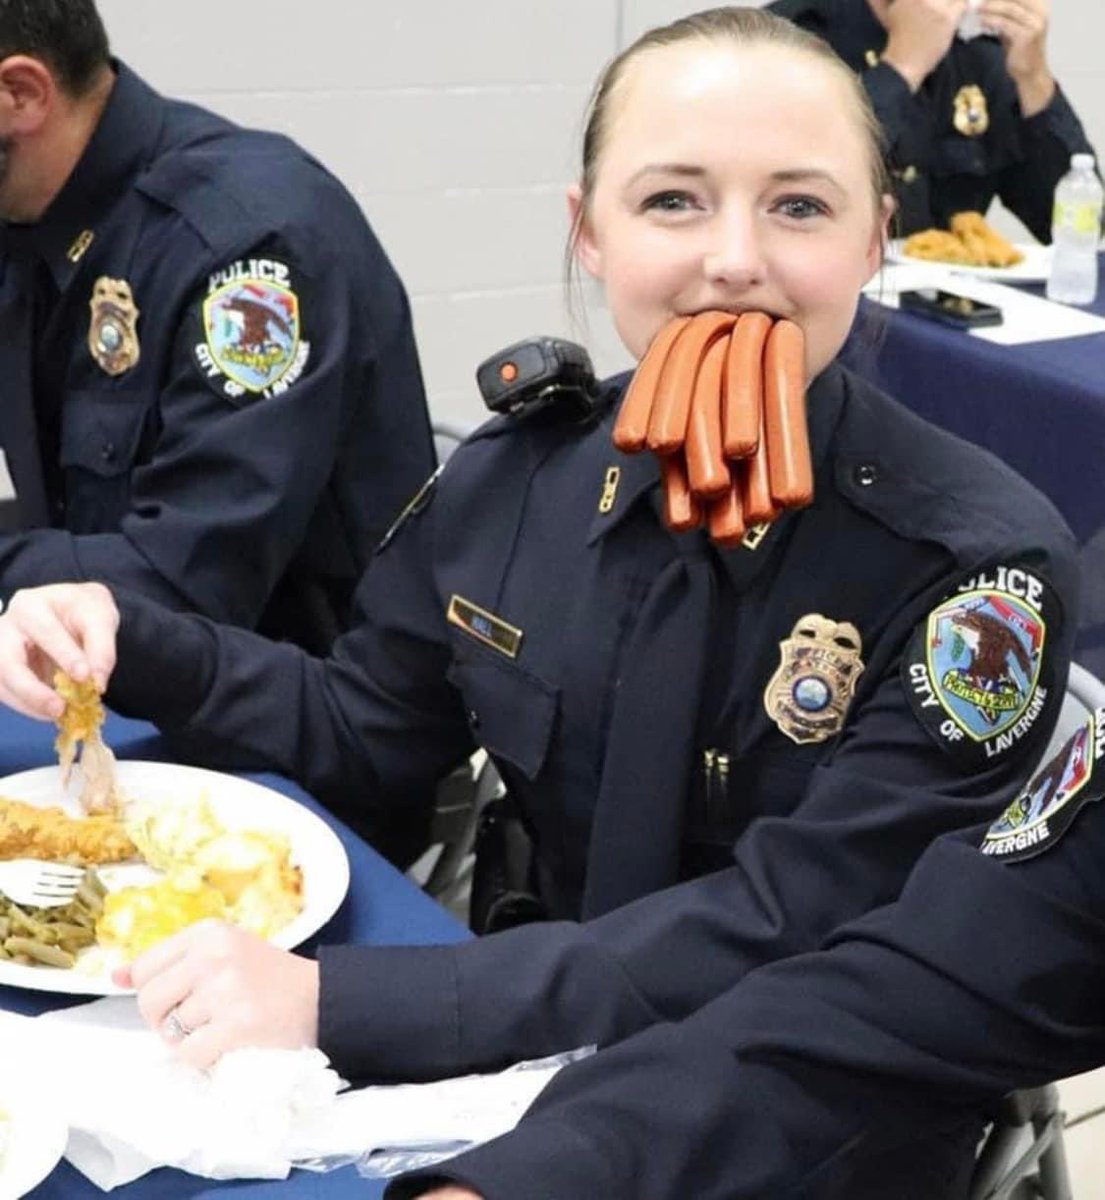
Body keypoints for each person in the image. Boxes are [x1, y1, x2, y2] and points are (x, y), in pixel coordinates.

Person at [0, 7, 1081, 1196]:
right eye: (672, 201)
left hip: (798, 1117)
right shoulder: (522, 474)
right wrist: (125, 638)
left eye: (800, 206)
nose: (733, 259)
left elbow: (788, 925)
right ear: (589, 232)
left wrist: (348, 1001)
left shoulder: (973, 576)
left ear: (878, 238)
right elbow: (367, 730)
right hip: (513, 1043)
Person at [0, 0, 434, 654]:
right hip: (100, 671)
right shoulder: (26, 216)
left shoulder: (249, 245)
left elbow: (184, 584)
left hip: (290, 713)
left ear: (20, 95)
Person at [768, 0, 1096, 241]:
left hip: (946, 311)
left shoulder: (977, 53)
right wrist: (902, 68)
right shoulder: (791, 36)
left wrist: (1033, 78)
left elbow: (1080, 232)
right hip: (825, 303)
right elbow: (793, 185)